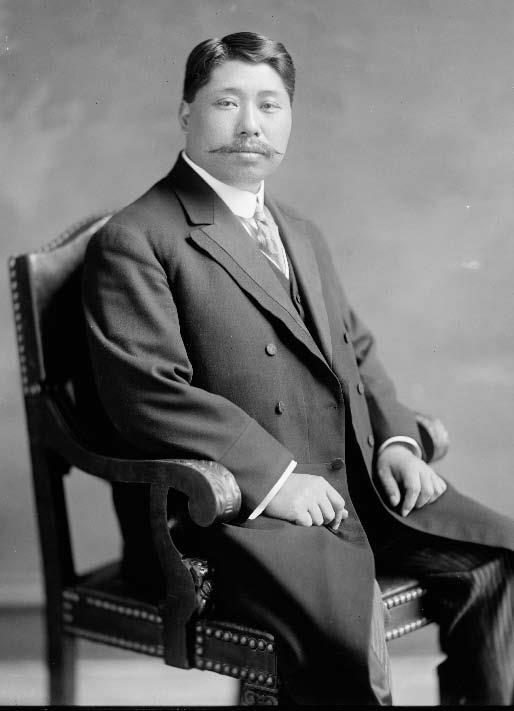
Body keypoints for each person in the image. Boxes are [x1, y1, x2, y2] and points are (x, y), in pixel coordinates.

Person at [82, 32, 514, 705]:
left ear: (289, 119)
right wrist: (275, 480)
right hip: (230, 514)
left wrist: (396, 442)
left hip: (352, 485)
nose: (250, 125)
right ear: (187, 112)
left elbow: (356, 351)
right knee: (351, 641)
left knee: (497, 558)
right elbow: (147, 393)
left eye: (270, 105)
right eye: (227, 102)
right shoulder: (137, 238)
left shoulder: (300, 232)